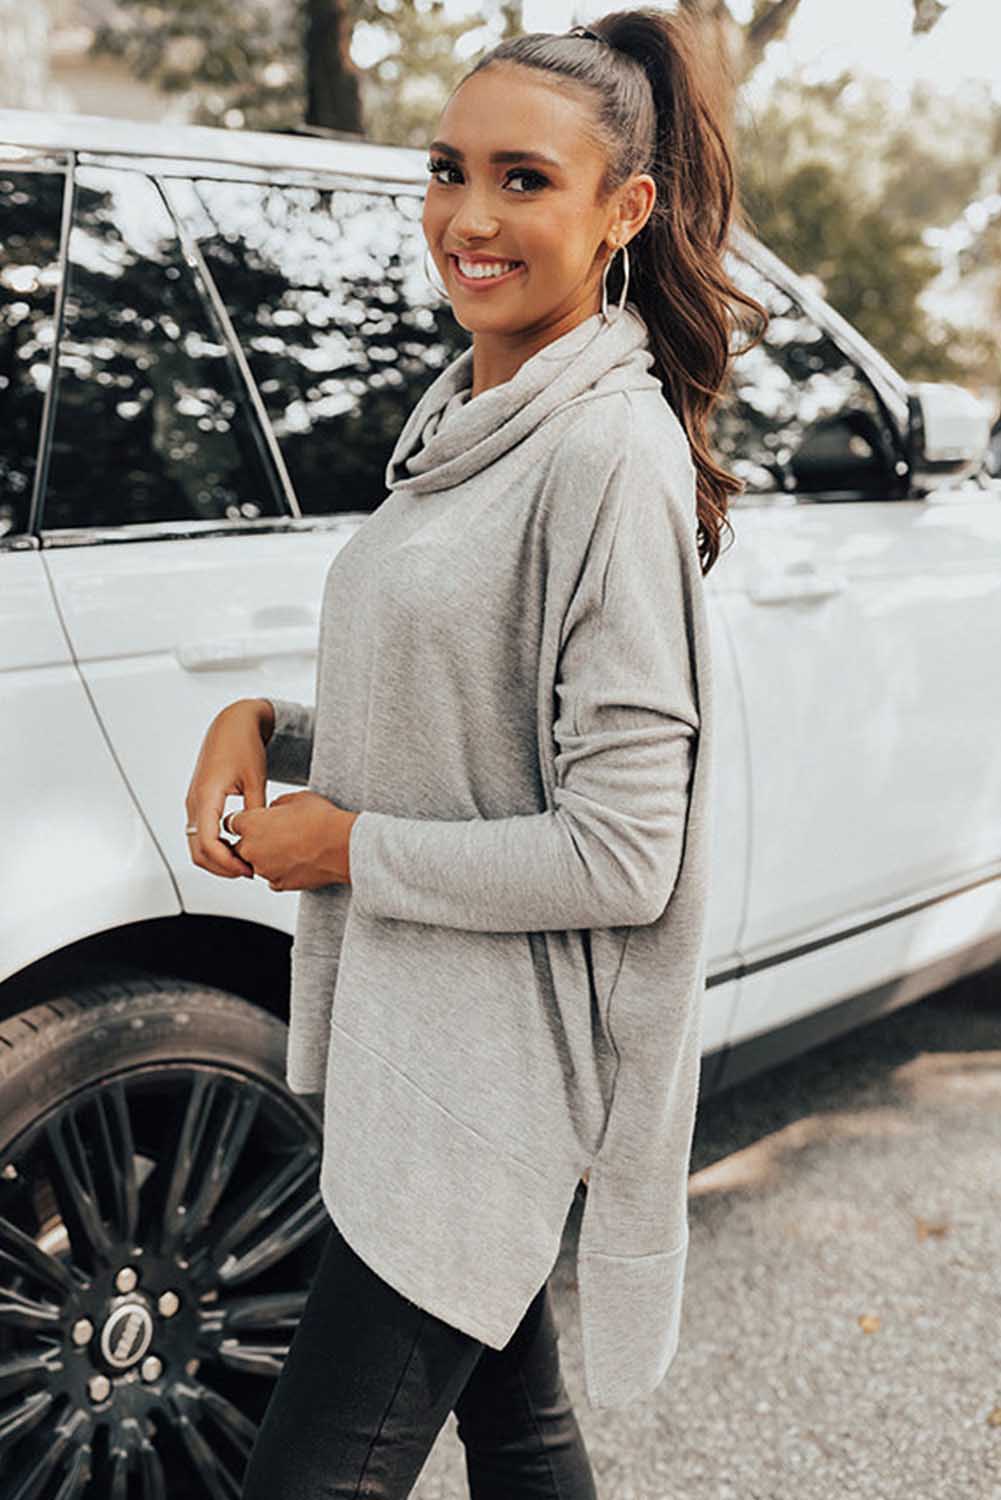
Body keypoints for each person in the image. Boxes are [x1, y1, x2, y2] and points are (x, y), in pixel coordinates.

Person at [185, 8, 768, 1497]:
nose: (469, 216)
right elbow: (468, 722)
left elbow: (624, 850)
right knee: (517, 1433)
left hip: (485, 1076)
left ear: (623, 211)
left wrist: (349, 850)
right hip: (412, 1034)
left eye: (524, 179)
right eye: (447, 171)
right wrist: (265, 726)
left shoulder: (603, 457)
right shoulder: (467, 420)